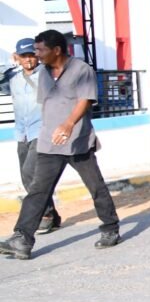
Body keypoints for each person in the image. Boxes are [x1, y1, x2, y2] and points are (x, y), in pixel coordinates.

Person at [0, 30, 121, 260]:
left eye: (40, 50)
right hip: (49, 142)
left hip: (78, 142)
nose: (37, 55)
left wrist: (68, 125)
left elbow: (84, 100)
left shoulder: (81, 70)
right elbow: (47, 105)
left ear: (56, 50)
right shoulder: (43, 73)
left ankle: (110, 229)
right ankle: (23, 239)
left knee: (96, 187)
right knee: (37, 191)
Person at [3, 39, 61, 235]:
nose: (28, 59)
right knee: (28, 176)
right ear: (18, 57)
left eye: (31, 55)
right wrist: (10, 63)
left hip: (42, 132)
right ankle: (52, 215)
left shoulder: (45, 74)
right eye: (24, 56)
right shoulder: (14, 78)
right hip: (22, 133)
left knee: (31, 173)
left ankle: (44, 215)